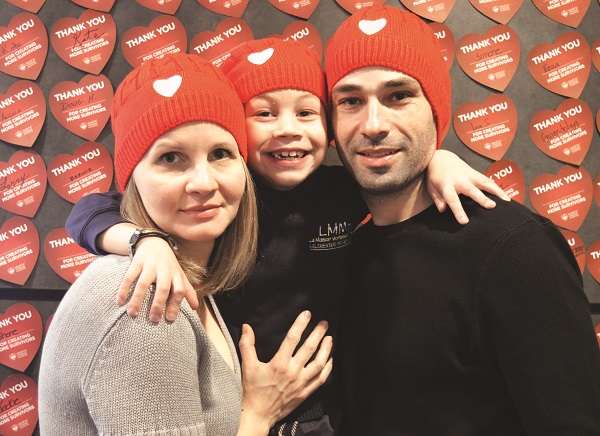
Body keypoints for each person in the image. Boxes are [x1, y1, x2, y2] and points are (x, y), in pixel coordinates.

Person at [65, 39, 508, 434]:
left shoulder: (342, 190)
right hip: (241, 404)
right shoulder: (227, 198)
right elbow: (89, 210)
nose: (288, 128)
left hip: (327, 399)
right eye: (264, 113)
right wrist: (146, 241)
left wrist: (439, 161)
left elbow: (395, 175)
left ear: (329, 128)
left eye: (306, 112)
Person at [324, 6, 600, 434]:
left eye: (398, 96)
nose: (373, 124)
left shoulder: (514, 248)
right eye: (351, 101)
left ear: (435, 109)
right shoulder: (345, 253)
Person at [38, 53, 333, 435]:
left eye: (220, 154)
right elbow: (88, 212)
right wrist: (259, 414)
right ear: (132, 177)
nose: (203, 183)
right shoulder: (145, 299)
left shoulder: (193, 275)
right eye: (171, 157)